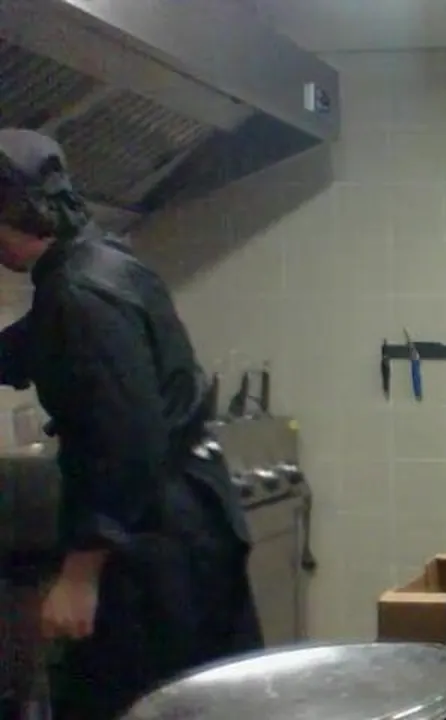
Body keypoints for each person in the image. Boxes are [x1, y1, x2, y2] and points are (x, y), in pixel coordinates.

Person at [0, 128, 263, 719]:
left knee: (147, 705)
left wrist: (79, 576)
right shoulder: (96, 261)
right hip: (182, 521)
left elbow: (125, 442)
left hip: (156, 540)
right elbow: (36, 343)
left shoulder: (79, 291)